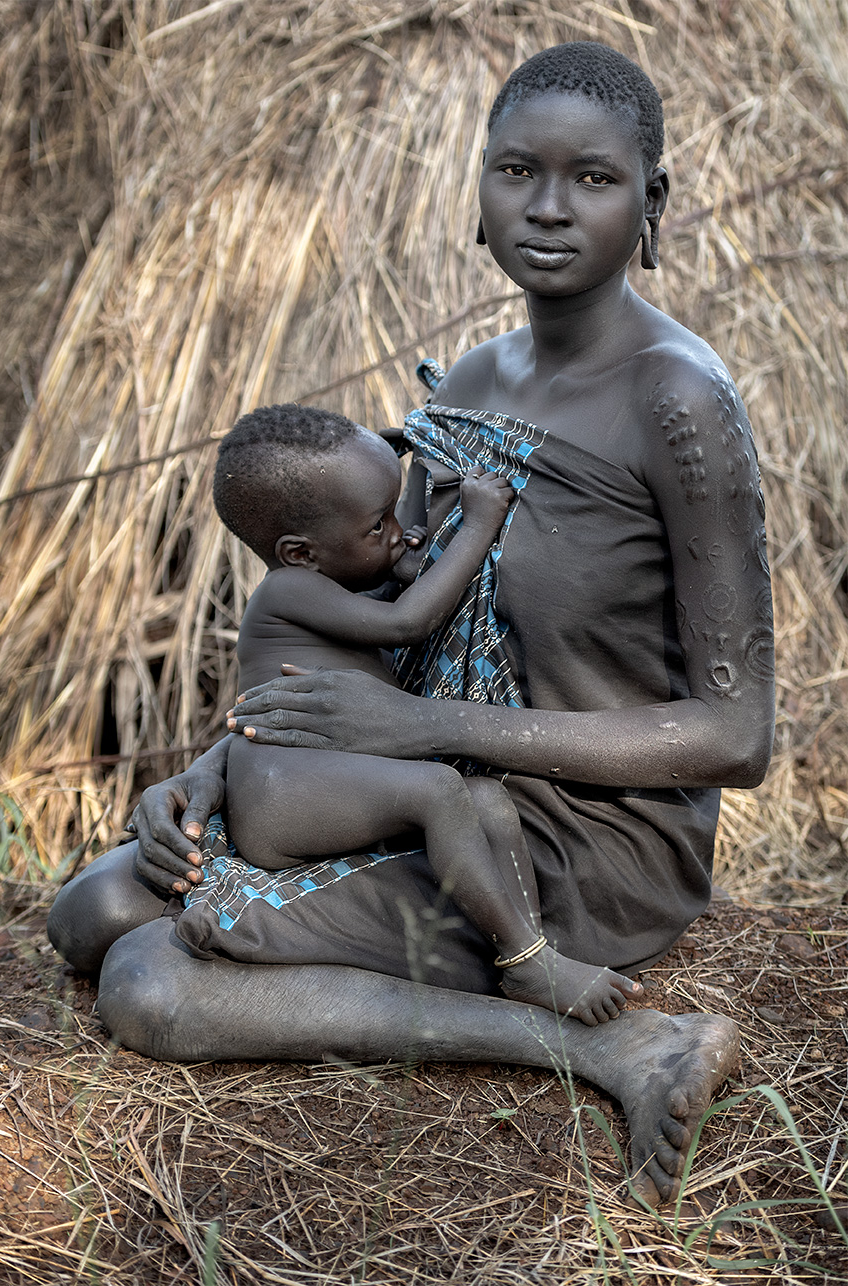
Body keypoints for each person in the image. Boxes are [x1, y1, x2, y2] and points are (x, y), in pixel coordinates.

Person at [48, 41, 775, 1207]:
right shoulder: (463, 390)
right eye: (515, 171)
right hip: (425, 785)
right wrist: (210, 773)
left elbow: (737, 735)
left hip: (580, 844)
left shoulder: (678, 402)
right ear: (478, 191)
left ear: (653, 202)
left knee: (147, 978)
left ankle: (617, 1046)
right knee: (94, 904)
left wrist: (423, 726)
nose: (547, 207)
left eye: (592, 179)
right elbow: (388, 629)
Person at [207, 402, 640, 1021]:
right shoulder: (287, 590)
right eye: (377, 526)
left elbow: (388, 575)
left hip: (314, 783)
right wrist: (477, 526)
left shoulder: (323, 581)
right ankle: (527, 961)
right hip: (280, 795)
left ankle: (528, 947)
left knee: (485, 799)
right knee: (438, 789)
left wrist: (399, 481)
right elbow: (408, 620)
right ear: (300, 552)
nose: (401, 533)